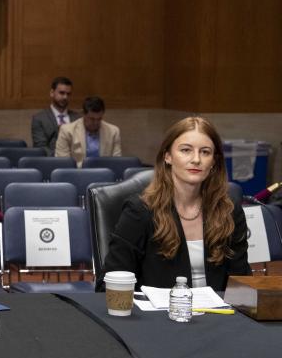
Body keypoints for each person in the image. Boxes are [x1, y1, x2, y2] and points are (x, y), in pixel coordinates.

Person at [99, 116, 250, 292]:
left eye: (205, 152)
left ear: (214, 162)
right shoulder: (140, 211)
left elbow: (241, 285)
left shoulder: (229, 211)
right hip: (157, 316)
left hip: (218, 316)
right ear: (168, 156)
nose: (196, 159)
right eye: (186, 150)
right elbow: (110, 285)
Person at [54, 96, 122, 167]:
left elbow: (116, 162)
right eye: (92, 119)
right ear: (83, 114)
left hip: (104, 174)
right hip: (76, 174)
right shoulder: (67, 131)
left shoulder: (113, 131)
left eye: (99, 119)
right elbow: (63, 163)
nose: (96, 123)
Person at [31, 76, 80, 155]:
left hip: (75, 163)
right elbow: (40, 147)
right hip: (51, 163)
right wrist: (61, 158)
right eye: (61, 93)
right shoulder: (39, 118)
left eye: (68, 94)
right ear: (52, 93)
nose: (65, 97)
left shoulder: (78, 118)